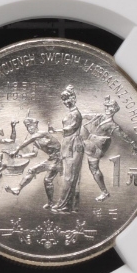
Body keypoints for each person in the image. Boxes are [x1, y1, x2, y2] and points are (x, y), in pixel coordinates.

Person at [82, 95, 137, 201]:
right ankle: (104, 192)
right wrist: (80, 115)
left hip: (96, 147)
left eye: (110, 107)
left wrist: (133, 144)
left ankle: (104, 192)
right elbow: (87, 115)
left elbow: (123, 135)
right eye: (106, 106)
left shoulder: (112, 125)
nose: (107, 109)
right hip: (90, 144)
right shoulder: (99, 116)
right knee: (93, 169)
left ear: (114, 110)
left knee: (94, 169)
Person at [4, 117, 62, 209]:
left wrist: (17, 150)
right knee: (33, 171)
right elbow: (34, 154)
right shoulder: (36, 142)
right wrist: (20, 156)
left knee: (47, 179)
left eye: (31, 126)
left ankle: (51, 203)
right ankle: (18, 189)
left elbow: (30, 139)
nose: (29, 129)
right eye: (27, 127)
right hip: (52, 159)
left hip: (60, 158)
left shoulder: (42, 133)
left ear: (36, 125)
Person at [49, 85, 83, 214]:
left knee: (70, 177)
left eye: (67, 98)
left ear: (74, 98)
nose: (65, 102)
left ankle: (64, 204)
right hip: (68, 144)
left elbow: (71, 128)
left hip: (73, 146)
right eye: (63, 100)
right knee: (69, 177)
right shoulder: (70, 113)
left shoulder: (76, 114)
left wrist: (55, 130)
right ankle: (68, 205)